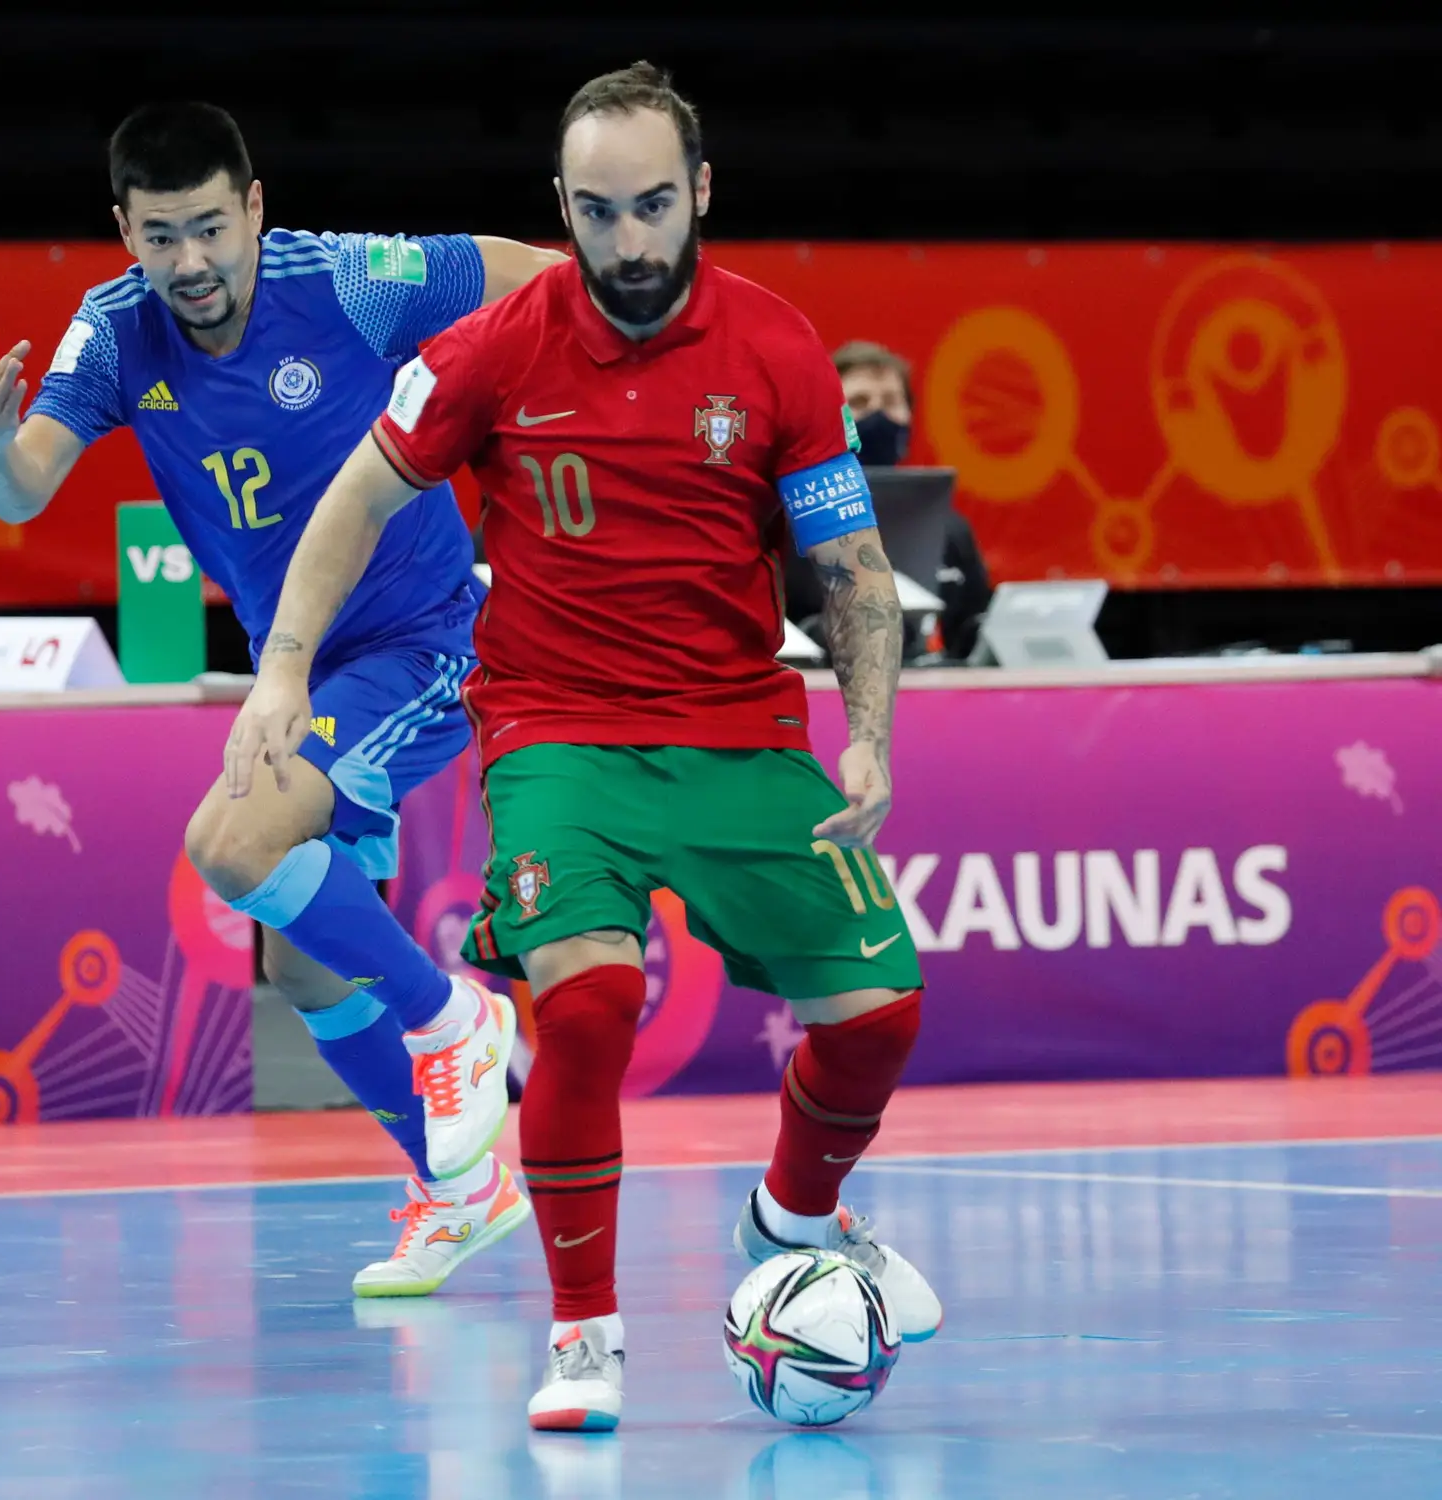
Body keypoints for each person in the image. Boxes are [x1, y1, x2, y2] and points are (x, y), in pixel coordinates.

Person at [228, 63, 943, 1431]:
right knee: (592, 1003)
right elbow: (357, 497)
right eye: (599, 212)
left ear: (702, 194)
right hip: (557, 733)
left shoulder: (780, 348)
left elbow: (849, 564)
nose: (629, 242)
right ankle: (586, 1339)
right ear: (563, 206)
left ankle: (793, 1212)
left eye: (655, 207)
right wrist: (282, 670)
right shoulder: (499, 344)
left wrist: (866, 739)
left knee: (882, 1014)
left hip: (739, 732)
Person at [0, 102, 569, 1297]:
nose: (189, 264)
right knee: (299, 970)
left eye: (208, 228)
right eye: (158, 237)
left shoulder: (345, 278)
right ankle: (458, 1192)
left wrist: (622, 334)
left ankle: (453, 1019)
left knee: (233, 845)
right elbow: (25, 486)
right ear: (124, 231)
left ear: (254, 207)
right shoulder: (117, 328)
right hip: (295, 668)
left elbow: (526, 272)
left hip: (427, 638)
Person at [833, 338, 994, 659]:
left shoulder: (951, 531)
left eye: (891, 401)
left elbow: (976, 635)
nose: (878, 415)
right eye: (860, 402)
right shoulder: (795, 524)